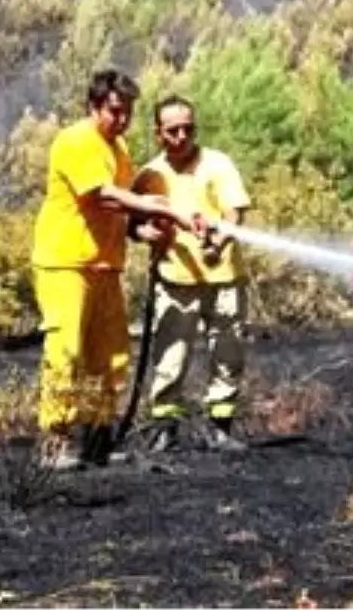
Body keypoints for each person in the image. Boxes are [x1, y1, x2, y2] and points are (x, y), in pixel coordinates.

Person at [30, 69, 197, 470]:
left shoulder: (118, 150)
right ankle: (55, 441)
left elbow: (121, 213)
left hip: (105, 266)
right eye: (115, 111)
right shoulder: (75, 141)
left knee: (111, 356)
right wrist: (158, 207)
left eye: (127, 113)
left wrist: (144, 229)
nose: (121, 120)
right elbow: (102, 196)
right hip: (65, 263)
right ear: (94, 106)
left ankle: (98, 438)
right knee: (65, 351)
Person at [128, 93, 253, 453]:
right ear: (158, 134)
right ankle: (165, 427)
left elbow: (234, 213)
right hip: (175, 279)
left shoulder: (218, 164)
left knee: (228, 354)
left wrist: (219, 243)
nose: (181, 137)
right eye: (172, 131)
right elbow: (130, 223)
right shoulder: (150, 175)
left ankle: (220, 428)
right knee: (170, 356)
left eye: (188, 129)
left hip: (224, 276)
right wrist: (142, 233)